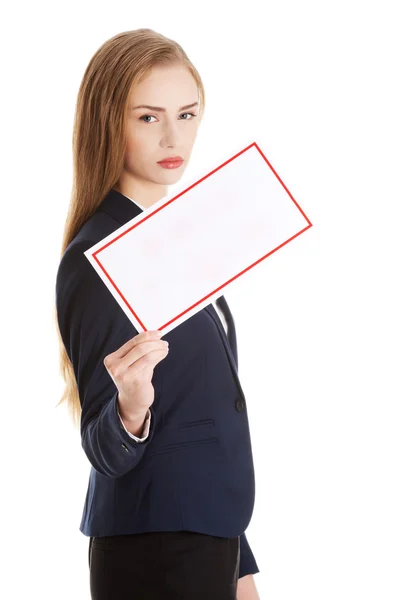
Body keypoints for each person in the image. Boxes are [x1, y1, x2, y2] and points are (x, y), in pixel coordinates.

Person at [54, 28, 260, 600]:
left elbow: (208, 404)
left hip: (206, 535)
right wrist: (131, 406)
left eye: (187, 114)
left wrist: (240, 563)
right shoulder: (98, 258)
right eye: (148, 117)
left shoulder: (176, 239)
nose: (175, 136)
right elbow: (102, 447)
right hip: (156, 548)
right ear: (108, 123)